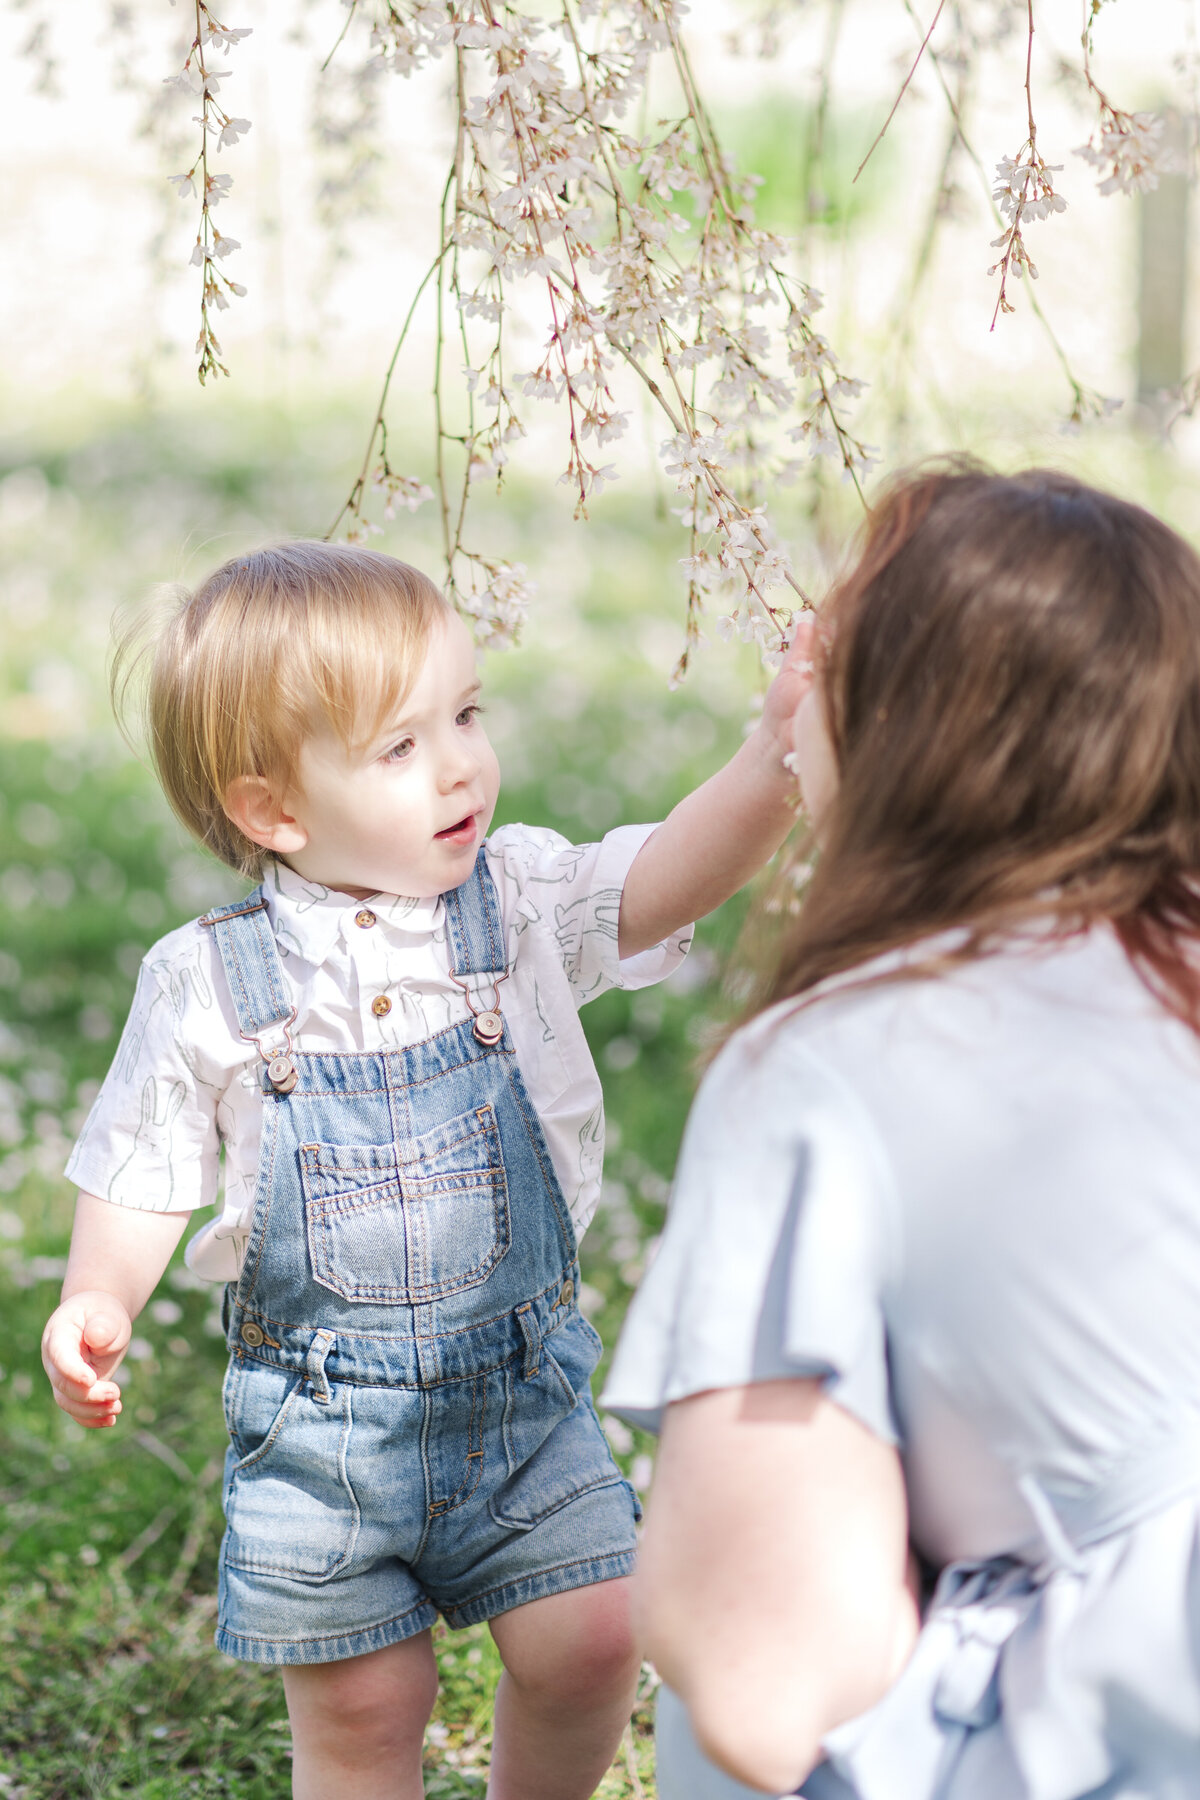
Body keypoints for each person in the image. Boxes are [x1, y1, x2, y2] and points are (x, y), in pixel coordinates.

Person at [38, 541, 807, 1800]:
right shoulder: (207, 981)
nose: (460, 764)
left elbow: (660, 882)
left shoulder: (517, 902)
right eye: (400, 747)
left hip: (520, 1393)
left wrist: (775, 761)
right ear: (274, 811)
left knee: (597, 1636)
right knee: (365, 1702)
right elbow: (142, 1158)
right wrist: (98, 1296)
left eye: (465, 713)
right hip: (320, 1426)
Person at [605, 464, 1200, 1800]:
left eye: (822, 646)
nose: (781, 680)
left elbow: (768, 1684)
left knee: (713, 1685)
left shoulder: (828, 1066)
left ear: (923, 726)